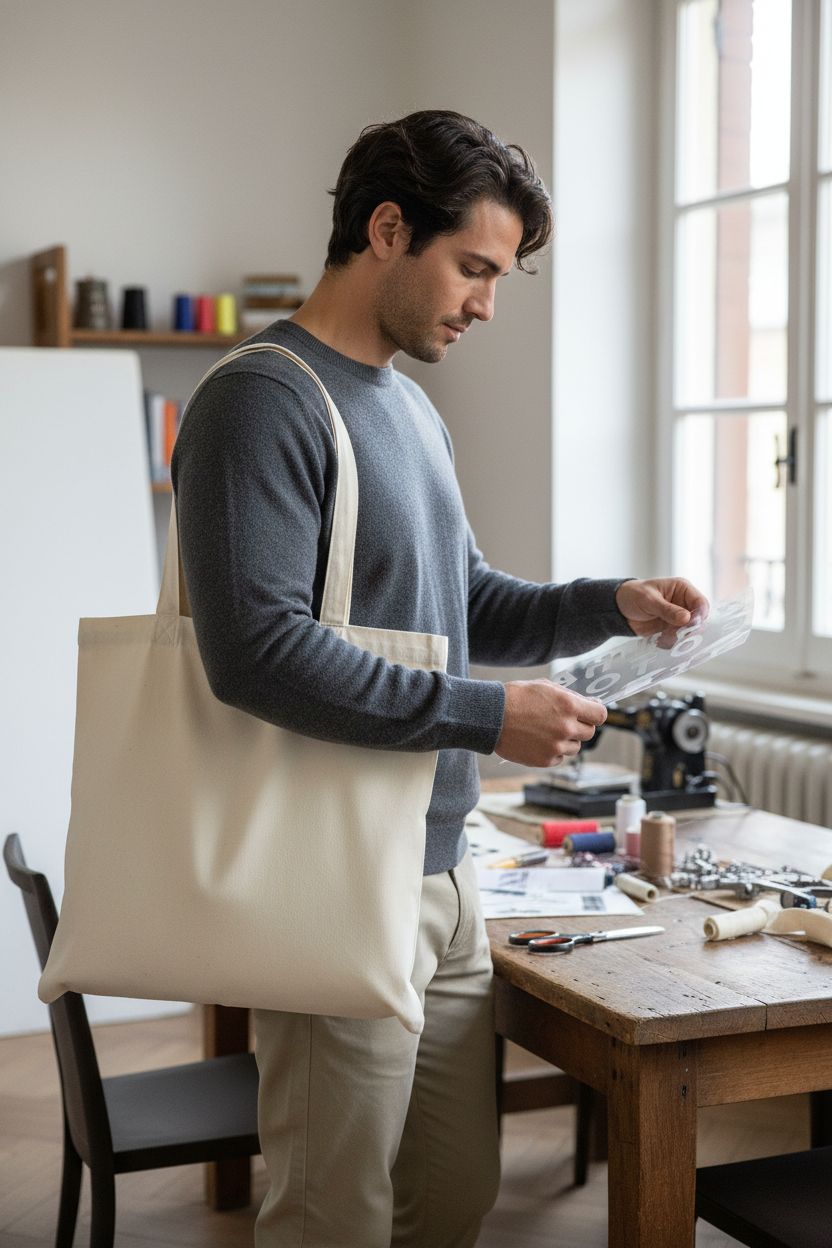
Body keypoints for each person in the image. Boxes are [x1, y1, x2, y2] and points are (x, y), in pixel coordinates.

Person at [172, 110, 707, 1248]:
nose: (484, 305)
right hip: (332, 873)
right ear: (384, 229)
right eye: (472, 269)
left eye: (498, 277)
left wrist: (606, 602)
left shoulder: (408, 408)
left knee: (452, 1199)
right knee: (333, 1216)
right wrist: (483, 716)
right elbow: (252, 651)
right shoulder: (258, 400)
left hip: (443, 869)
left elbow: (458, 604)